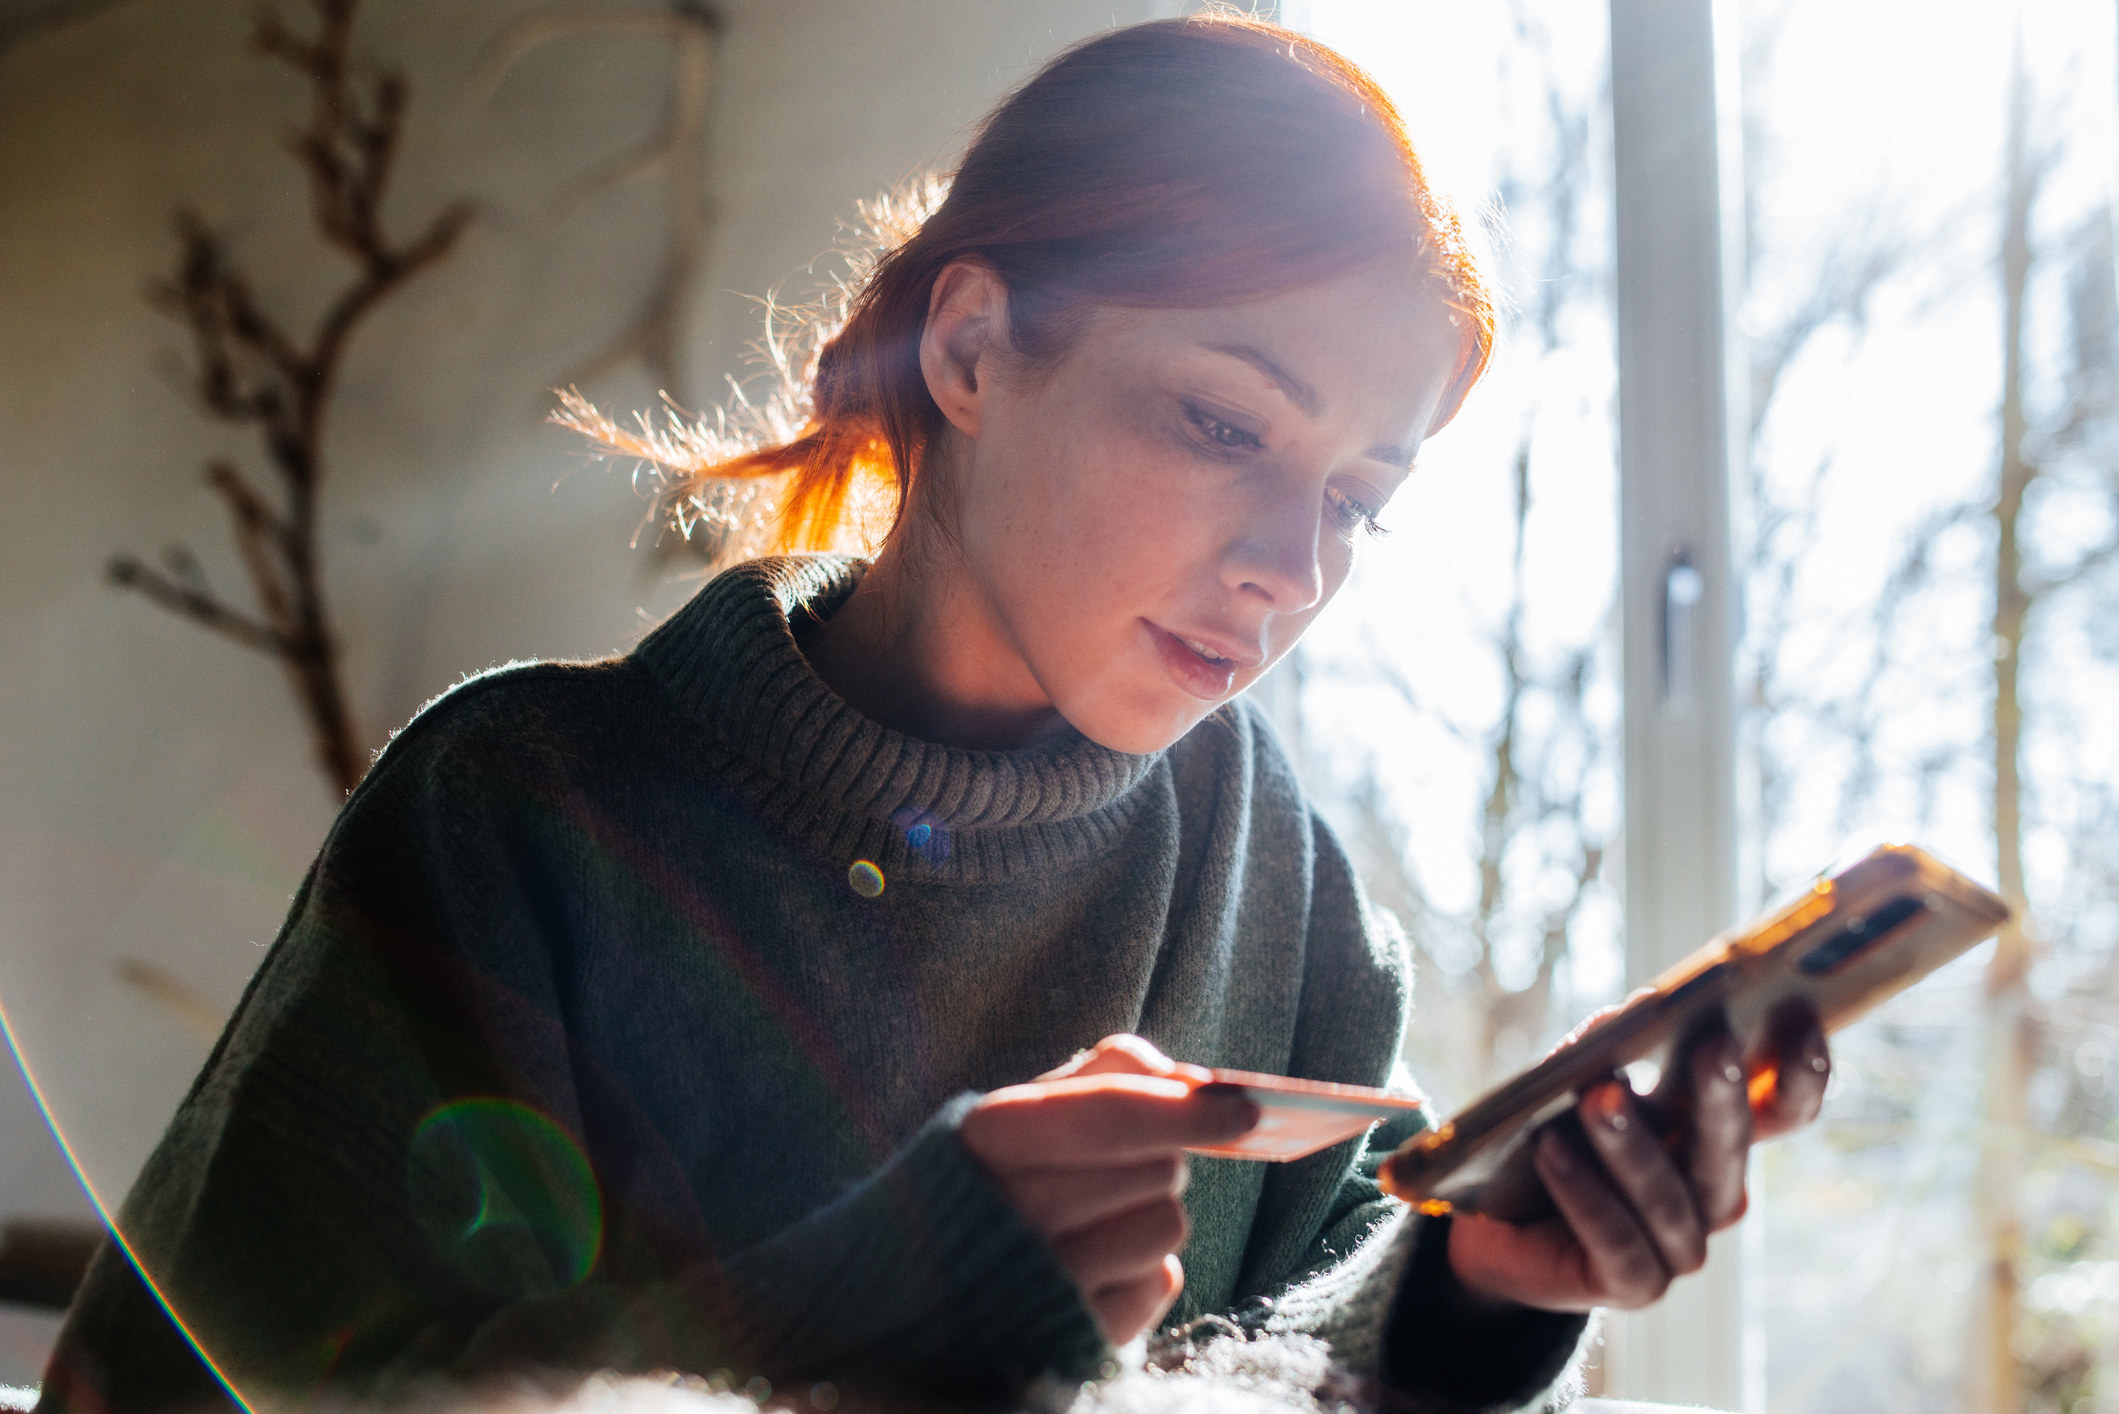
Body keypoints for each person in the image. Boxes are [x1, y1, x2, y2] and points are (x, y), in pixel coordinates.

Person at [39, 14, 1828, 1414]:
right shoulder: (519, 810)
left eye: (1359, 494)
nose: (1295, 562)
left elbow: (1308, 1364)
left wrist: (1474, 1288)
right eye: (1224, 425)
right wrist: (887, 1301)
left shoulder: (1280, 882)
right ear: (970, 350)